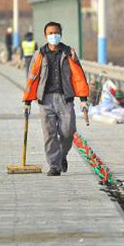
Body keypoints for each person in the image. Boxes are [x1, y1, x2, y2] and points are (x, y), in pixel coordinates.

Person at [22, 21, 89, 176]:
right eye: (50, 33)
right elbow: (32, 78)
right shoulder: (39, 55)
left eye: (56, 33)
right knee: (49, 134)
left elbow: (78, 76)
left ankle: (61, 156)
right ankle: (54, 165)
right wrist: (27, 101)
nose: (53, 36)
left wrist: (83, 99)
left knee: (68, 132)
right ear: (45, 36)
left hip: (65, 99)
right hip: (45, 101)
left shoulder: (68, 53)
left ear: (61, 34)